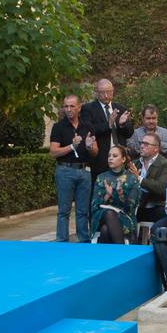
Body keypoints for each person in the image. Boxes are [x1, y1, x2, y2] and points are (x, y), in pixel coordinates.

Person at [48, 94, 99, 242]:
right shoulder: (58, 127)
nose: (68, 109)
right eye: (66, 106)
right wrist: (72, 146)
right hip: (65, 170)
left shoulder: (87, 126)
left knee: (83, 211)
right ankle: (62, 243)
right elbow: (53, 152)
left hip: (84, 171)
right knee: (64, 211)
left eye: (72, 106)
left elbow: (96, 151)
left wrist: (89, 147)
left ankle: (83, 242)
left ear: (79, 107)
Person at [80, 78, 134, 181]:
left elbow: (129, 133)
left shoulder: (121, 108)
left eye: (109, 92)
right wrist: (108, 125)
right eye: (102, 92)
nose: (106, 95)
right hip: (100, 159)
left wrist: (121, 125)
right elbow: (88, 131)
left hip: (120, 159)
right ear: (96, 92)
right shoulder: (88, 109)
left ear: (113, 91)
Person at [91, 145, 142, 244]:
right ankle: (122, 250)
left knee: (105, 231)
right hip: (101, 216)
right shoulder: (101, 177)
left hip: (124, 216)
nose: (110, 158)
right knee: (109, 213)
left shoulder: (131, 179)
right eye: (109, 156)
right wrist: (107, 196)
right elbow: (94, 205)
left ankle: (107, 257)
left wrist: (119, 195)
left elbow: (132, 206)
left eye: (114, 156)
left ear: (123, 159)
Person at [133, 130, 167, 226]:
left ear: (156, 148)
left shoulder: (166, 165)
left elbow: (161, 188)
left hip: (155, 207)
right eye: (141, 143)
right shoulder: (135, 164)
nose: (142, 146)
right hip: (136, 206)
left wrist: (139, 179)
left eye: (146, 144)